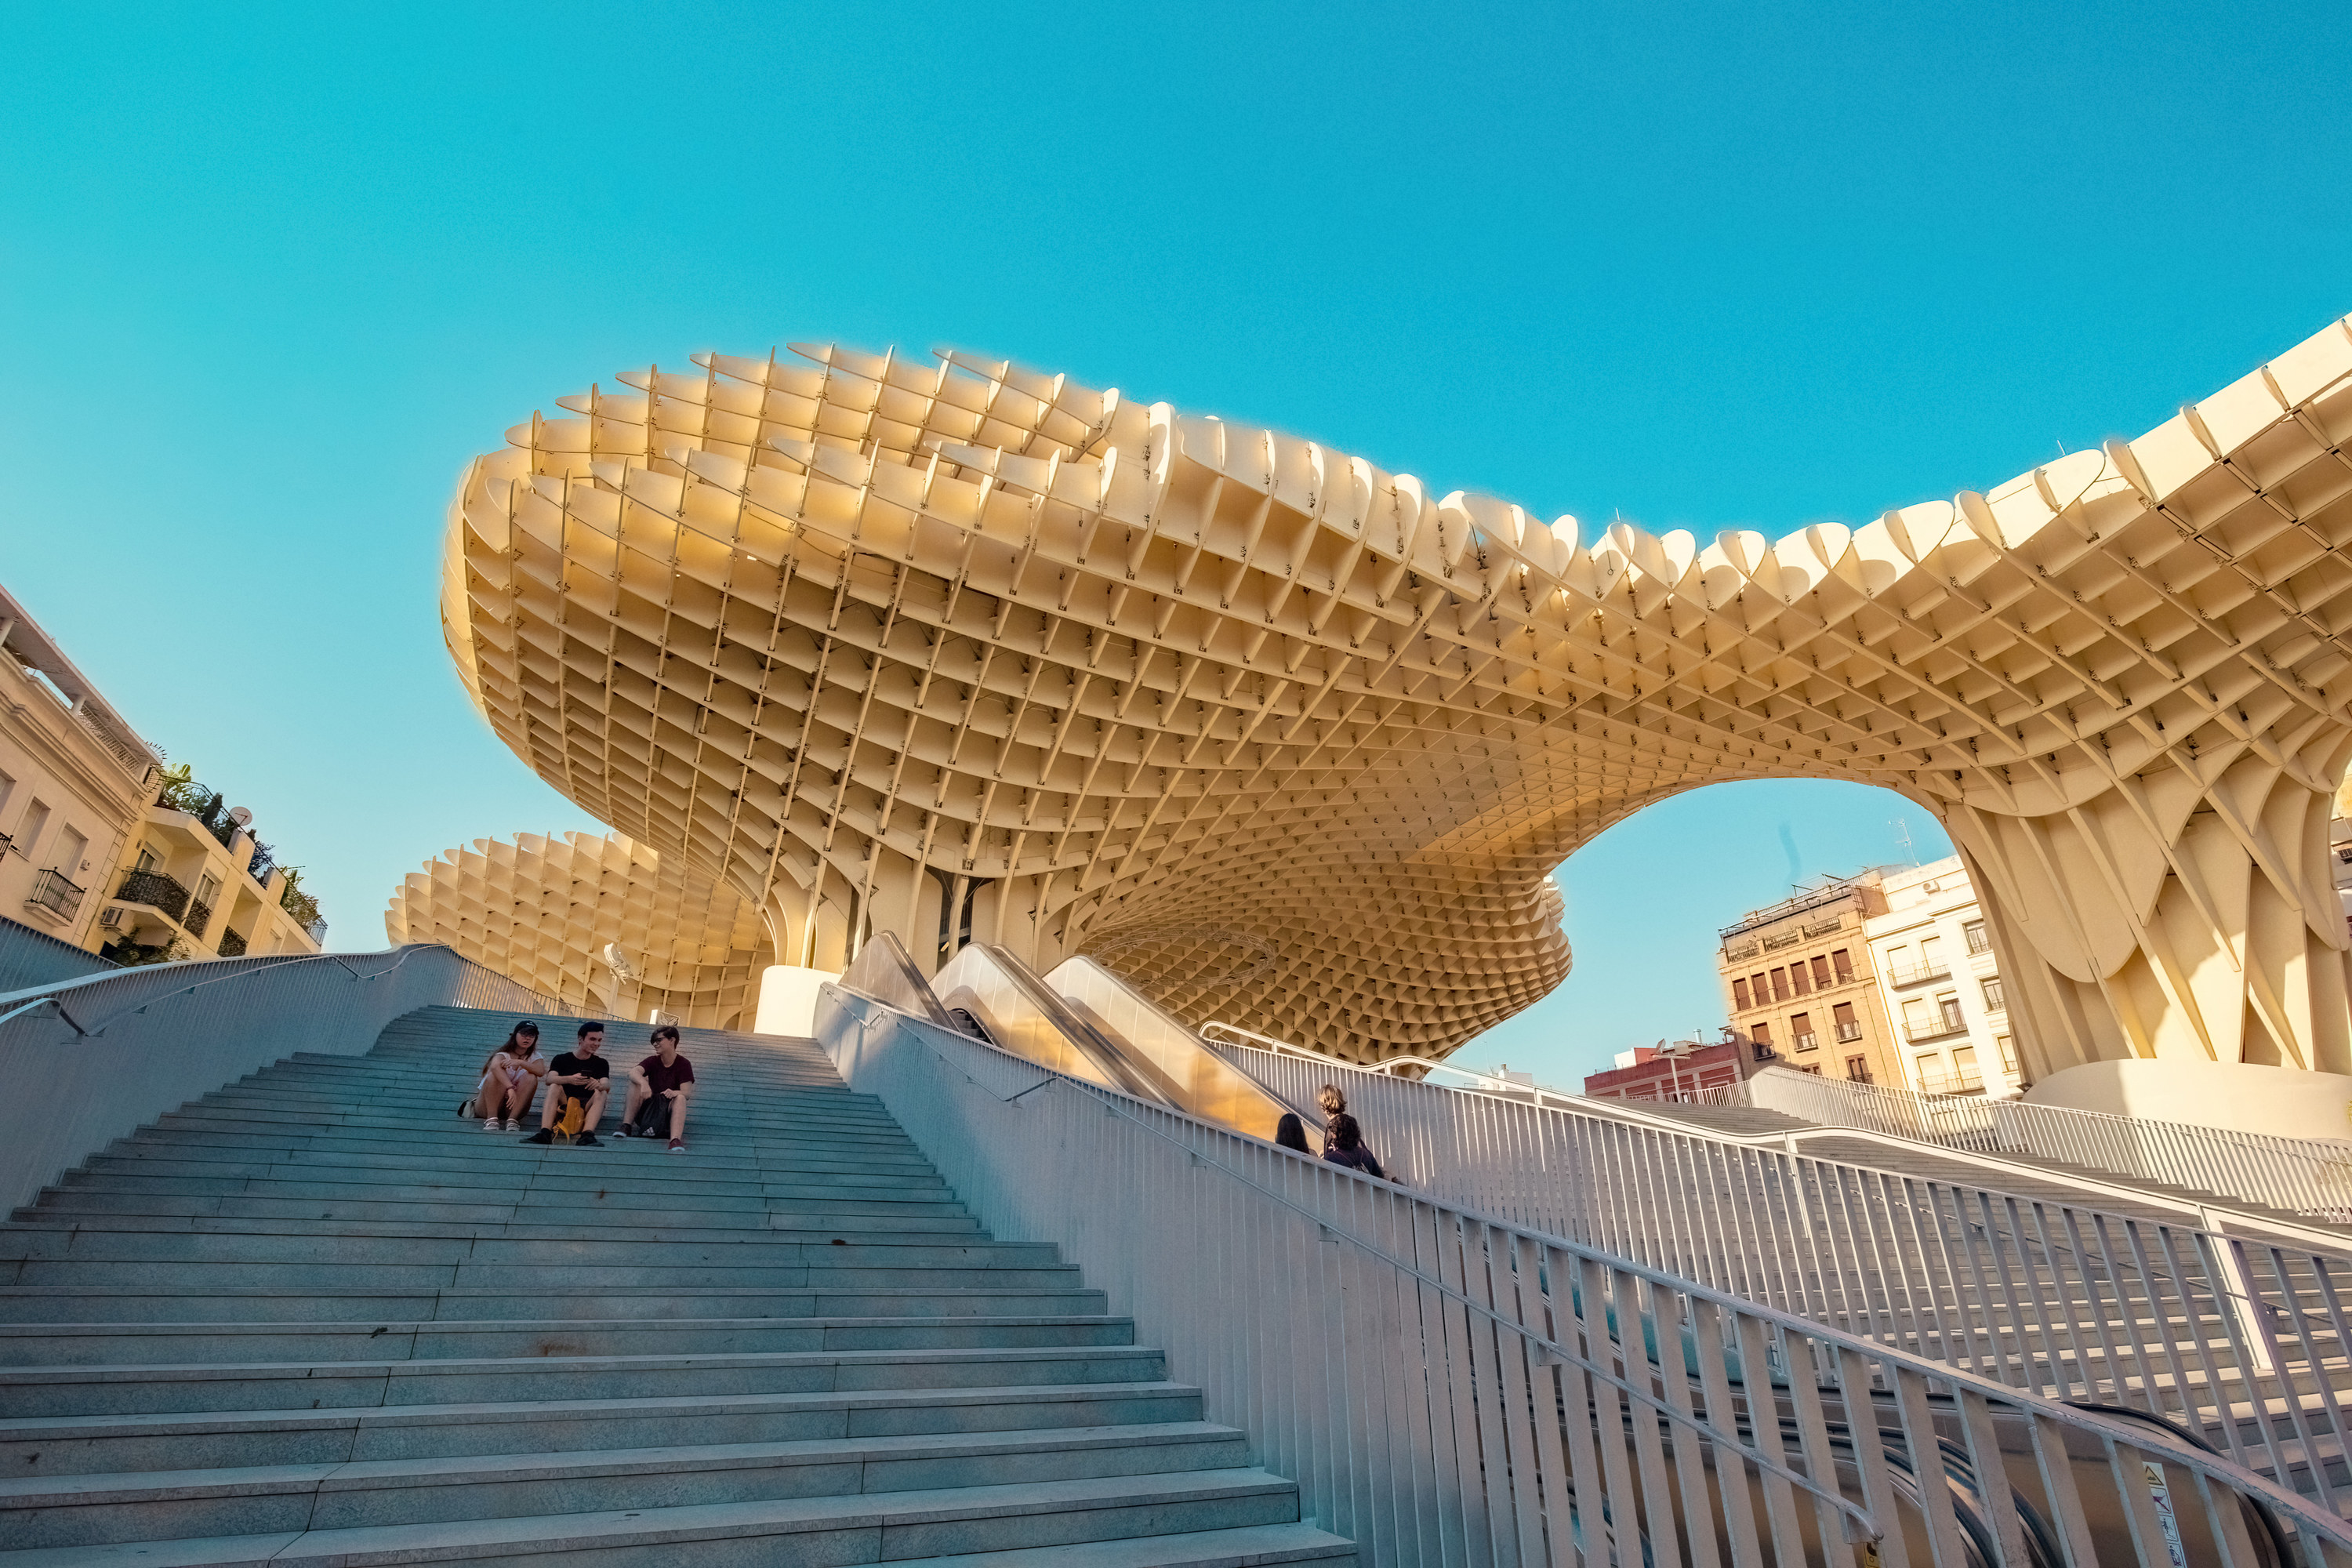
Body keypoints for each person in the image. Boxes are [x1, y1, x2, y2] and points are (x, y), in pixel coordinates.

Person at [522, 1022, 610, 1145]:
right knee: (554, 1086)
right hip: (566, 1103)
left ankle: (587, 1135)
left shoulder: (601, 1063)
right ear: (580, 1039)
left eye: (599, 1040)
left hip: (587, 1106)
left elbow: (606, 1085)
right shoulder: (562, 1059)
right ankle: (545, 1133)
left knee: (602, 1092)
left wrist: (598, 1085)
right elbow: (550, 1079)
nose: (596, 1044)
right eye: (592, 1039)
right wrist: (569, 1079)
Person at [619, 1024, 695, 1152]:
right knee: (635, 1082)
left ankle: (675, 1139)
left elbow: (687, 1093)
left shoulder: (684, 1064)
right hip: (650, 1110)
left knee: (680, 1098)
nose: (655, 1044)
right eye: (654, 1041)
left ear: (672, 1040)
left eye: (659, 1040)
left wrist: (674, 1092)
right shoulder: (653, 1061)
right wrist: (644, 1083)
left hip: (667, 1112)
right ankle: (626, 1126)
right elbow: (632, 1072)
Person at [467, 1021, 547, 1132]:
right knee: (494, 1076)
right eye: (524, 1034)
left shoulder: (535, 1056)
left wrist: (521, 1063)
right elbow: (495, 1067)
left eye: (531, 1035)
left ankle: (512, 1120)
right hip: (487, 1107)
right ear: (515, 1035)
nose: (527, 1038)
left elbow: (541, 1071)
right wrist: (510, 1088)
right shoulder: (503, 1054)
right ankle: (491, 1119)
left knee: (531, 1077)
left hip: (513, 1108)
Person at [1321, 1112, 1386, 1179]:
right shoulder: (1367, 1154)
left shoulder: (1332, 1158)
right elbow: (1380, 1177)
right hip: (1365, 1189)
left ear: (1335, 1135)